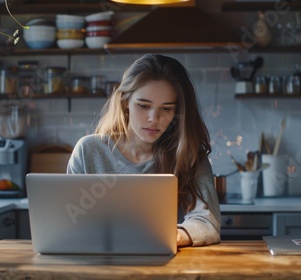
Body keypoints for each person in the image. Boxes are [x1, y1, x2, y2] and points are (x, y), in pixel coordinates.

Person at [67, 53, 221, 247]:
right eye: (143, 106)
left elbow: (207, 221)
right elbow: (69, 221)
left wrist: (175, 236)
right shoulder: (88, 150)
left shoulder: (187, 154)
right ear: (125, 103)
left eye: (166, 109)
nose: (153, 119)